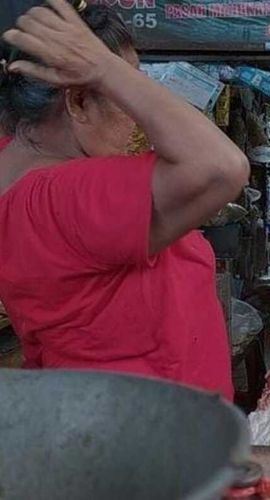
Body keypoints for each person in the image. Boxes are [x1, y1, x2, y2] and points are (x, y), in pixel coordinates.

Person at [0, 0, 249, 400]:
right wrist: (104, 67)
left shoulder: (18, 170)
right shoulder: (64, 194)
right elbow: (222, 167)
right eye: (126, 87)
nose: (137, 116)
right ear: (78, 102)